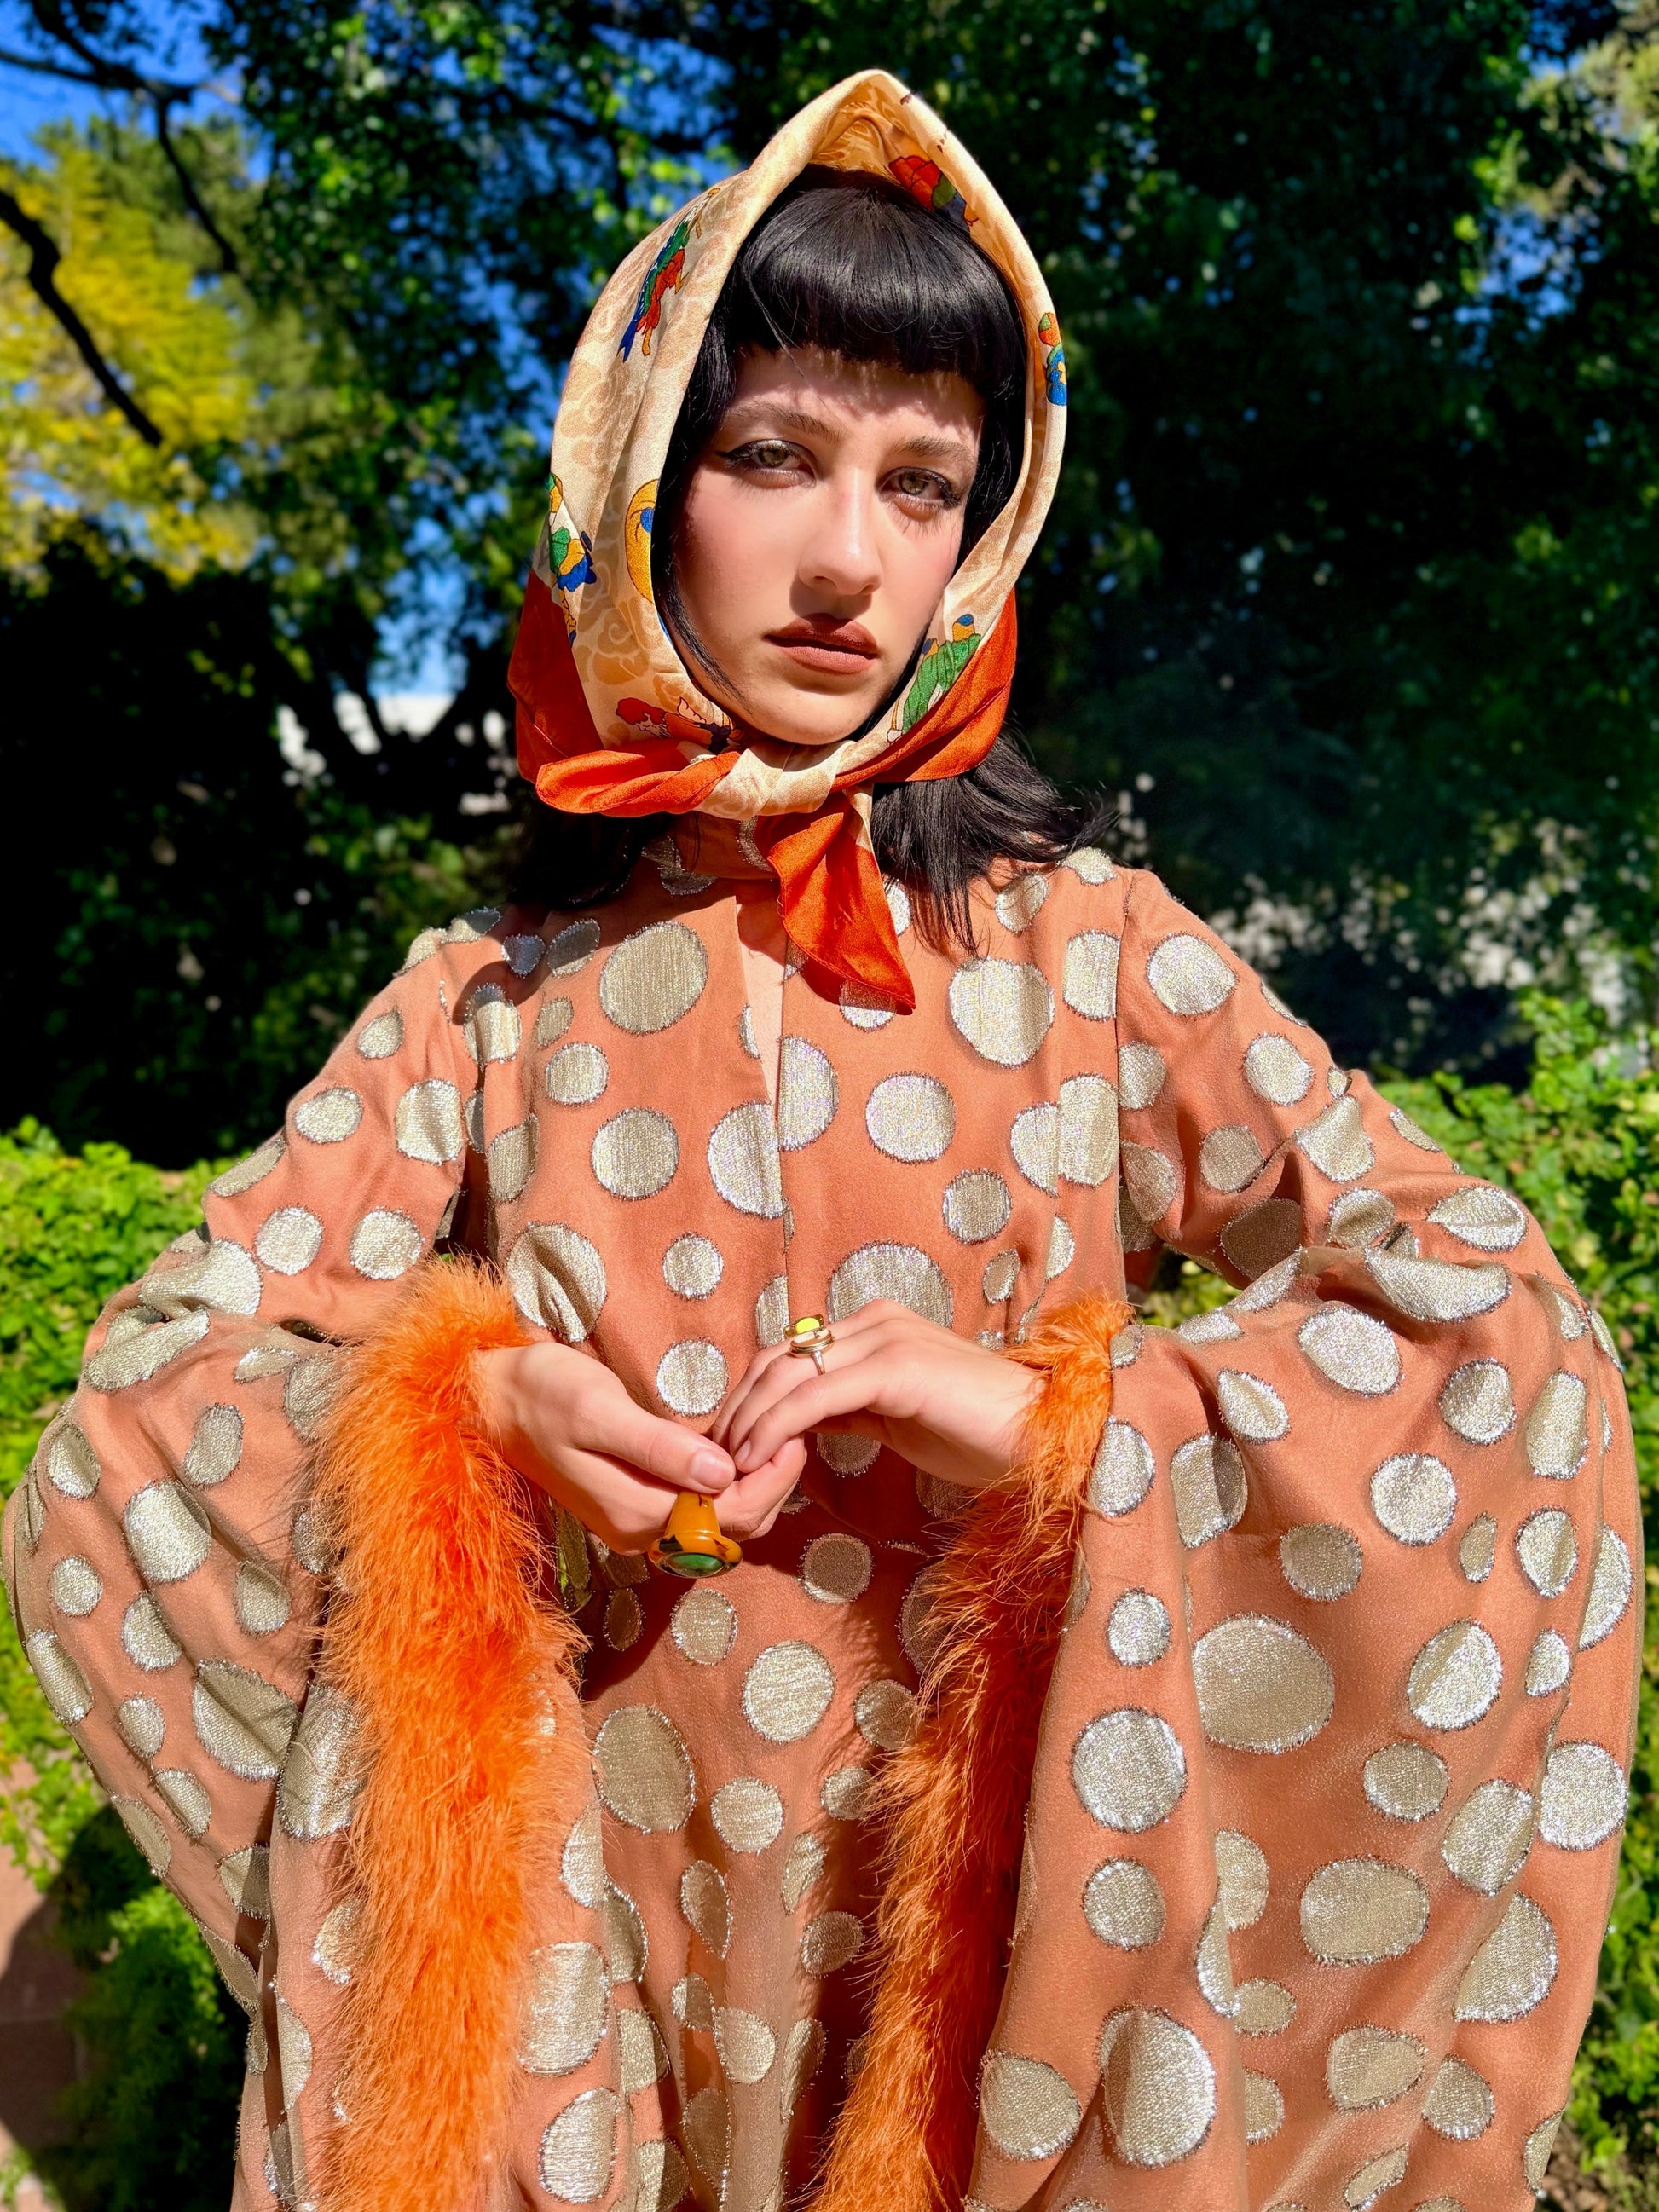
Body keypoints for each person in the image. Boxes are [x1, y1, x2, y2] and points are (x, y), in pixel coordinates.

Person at [1, 68, 1639, 2212]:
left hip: (985, 1972)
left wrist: (1076, 1419)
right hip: (591, 1993)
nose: (850, 556)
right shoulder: (486, 1000)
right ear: (640, 488)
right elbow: (137, 1403)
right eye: (771, 454)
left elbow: (1500, 1330)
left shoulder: (1093, 962)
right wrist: (468, 1405)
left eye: (923, 480)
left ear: (989, 530)